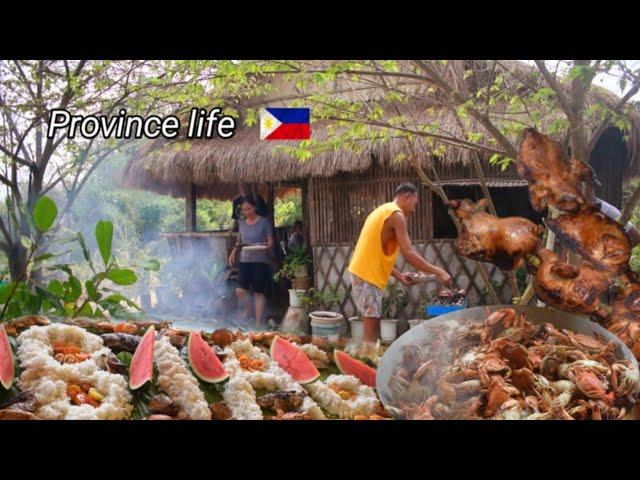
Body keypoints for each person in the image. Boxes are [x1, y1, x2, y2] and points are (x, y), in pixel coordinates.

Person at [348, 182, 453, 344]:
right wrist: (439, 272)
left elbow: (375, 252)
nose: (414, 208)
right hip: (366, 273)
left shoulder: (384, 210)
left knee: (372, 318)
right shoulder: (397, 215)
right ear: (407, 197)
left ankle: (367, 357)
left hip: (362, 270)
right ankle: (367, 361)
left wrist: (399, 275)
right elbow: (409, 254)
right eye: (415, 204)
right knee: (372, 323)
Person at [227, 197, 274, 327]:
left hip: (260, 261)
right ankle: (247, 311)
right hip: (245, 260)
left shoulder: (264, 222)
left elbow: (270, 241)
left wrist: (266, 248)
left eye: (249, 209)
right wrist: (233, 253)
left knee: (259, 292)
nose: (247, 211)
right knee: (240, 290)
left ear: (255, 208)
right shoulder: (242, 224)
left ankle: (258, 323)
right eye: (244, 209)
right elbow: (239, 242)